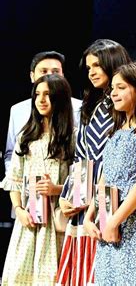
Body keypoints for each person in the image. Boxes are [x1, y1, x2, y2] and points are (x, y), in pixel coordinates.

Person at [56, 39, 132, 286]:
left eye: (98, 65)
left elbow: (118, 161)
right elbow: (81, 157)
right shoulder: (91, 106)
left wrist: (91, 200)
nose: (92, 72)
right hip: (83, 205)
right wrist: (69, 196)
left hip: (111, 200)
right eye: (89, 67)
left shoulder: (124, 105)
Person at [83, 62, 136, 285]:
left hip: (135, 217)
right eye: (113, 88)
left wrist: (115, 221)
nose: (114, 93)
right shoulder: (115, 130)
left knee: (133, 277)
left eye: (121, 87)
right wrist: (90, 215)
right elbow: (106, 176)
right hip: (109, 214)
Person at [1, 74, 76, 285]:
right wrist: (19, 211)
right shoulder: (25, 136)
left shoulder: (72, 137)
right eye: (37, 94)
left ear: (60, 98)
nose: (41, 100)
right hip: (29, 221)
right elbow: (14, 179)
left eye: (48, 95)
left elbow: (80, 183)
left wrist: (57, 189)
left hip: (57, 221)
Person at [4, 51, 81, 176]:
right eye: (44, 71)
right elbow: (11, 152)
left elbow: (81, 168)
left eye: (56, 72)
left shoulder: (80, 108)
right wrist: (14, 181)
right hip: (28, 190)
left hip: (67, 190)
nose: (50, 75)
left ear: (63, 76)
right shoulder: (17, 110)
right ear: (32, 76)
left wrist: (60, 190)